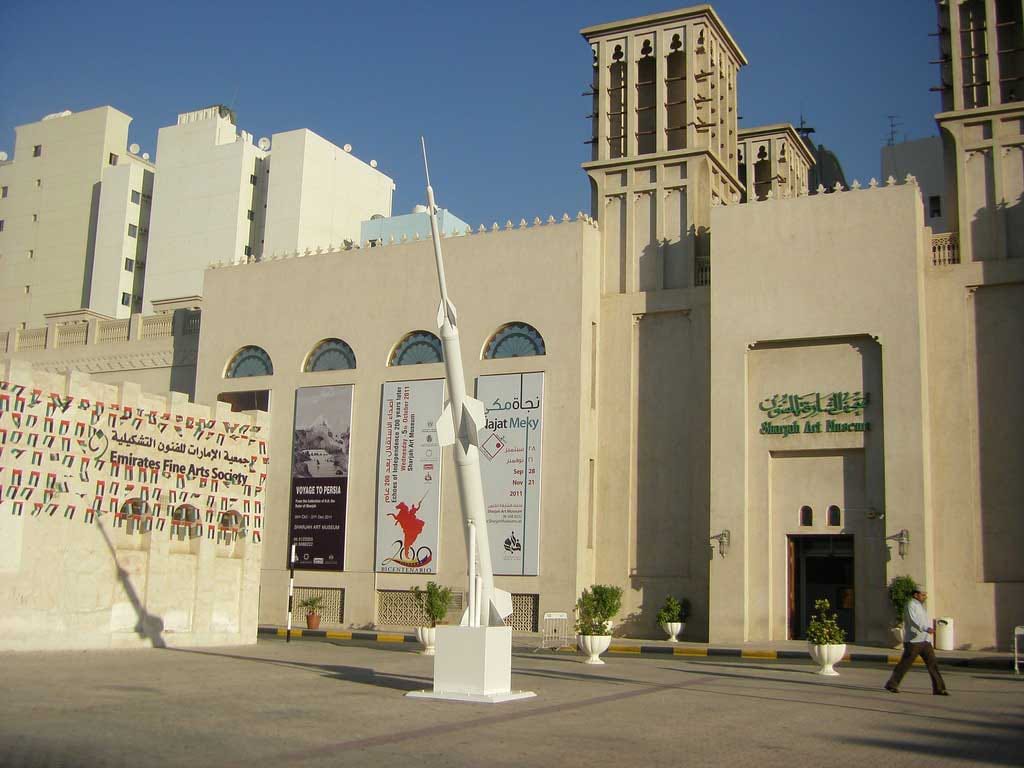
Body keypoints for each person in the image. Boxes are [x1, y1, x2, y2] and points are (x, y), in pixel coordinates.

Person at [884, 586, 949, 695]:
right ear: (916, 595)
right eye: (923, 595)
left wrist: (928, 631)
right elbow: (914, 620)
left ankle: (939, 689)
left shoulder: (920, 606)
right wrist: (926, 628)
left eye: (925, 595)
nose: (925, 597)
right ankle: (892, 684)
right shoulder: (911, 605)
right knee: (905, 664)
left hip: (925, 640)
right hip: (913, 641)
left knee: (932, 664)